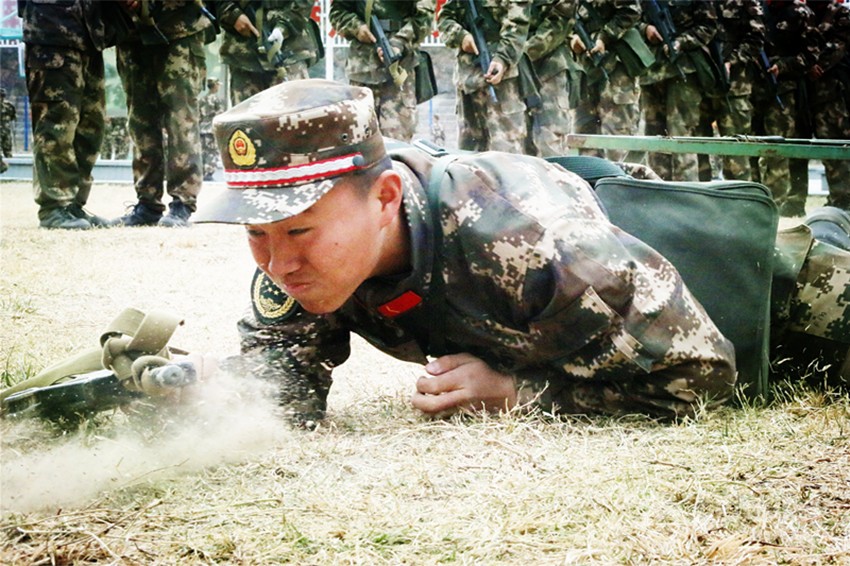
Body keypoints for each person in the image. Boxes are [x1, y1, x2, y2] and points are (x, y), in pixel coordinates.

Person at [194, 79, 741, 426]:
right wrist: (193, 392)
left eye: (299, 231)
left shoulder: (539, 244)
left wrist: (519, 395)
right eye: (255, 232)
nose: (278, 264)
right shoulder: (302, 252)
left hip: (708, 273)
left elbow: (704, 376)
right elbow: (282, 387)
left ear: (384, 200)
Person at [19, 0, 122, 230]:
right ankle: (54, 206)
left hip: (89, 35)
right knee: (56, 124)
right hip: (52, 32)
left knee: (91, 127)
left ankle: (73, 205)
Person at [110, 1, 213, 228]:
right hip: (131, 33)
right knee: (140, 121)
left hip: (178, 28)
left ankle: (182, 203)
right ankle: (147, 203)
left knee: (181, 119)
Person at [329, 0, 435, 143]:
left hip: (399, 71)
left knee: (397, 144)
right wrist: (357, 28)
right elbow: (338, 12)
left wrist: (399, 42)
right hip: (362, 72)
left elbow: (424, 17)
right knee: (360, 142)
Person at [749, 0, 817, 213]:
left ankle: (774, 207)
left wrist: (783, 66)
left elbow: (812, 54)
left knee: (777, 150)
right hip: (754, 90)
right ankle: (755, 203)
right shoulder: (757, 9)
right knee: (751, 149)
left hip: (784, 92)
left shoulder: (799, 13)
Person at [438, 0, 531, 153]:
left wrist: (503, 58)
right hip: (468, 82)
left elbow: (518, 25)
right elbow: (444, 18)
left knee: (506, 153)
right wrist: (461, 36)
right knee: (468, 154)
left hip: (503, 84)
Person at [638, 0, 717, 181]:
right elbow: (633, 18)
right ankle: (658, 188)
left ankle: (685, 192)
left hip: (683, 71)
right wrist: (645, 29)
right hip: (651, 71)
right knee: (654, 136)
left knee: (681, 134)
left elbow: (708, 26)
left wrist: (681, 42)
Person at [569, 0, 646, 162]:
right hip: (585, 67)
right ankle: (590, 177)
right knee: (584, 136)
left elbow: (631, 10)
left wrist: (603, 38)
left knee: (617, 140)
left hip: (616, 66)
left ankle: (619, 178)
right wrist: (573, 38)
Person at [696, 0, 765, 182]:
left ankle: (740, 197)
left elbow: (757, 38)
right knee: (698, 152)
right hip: (701, 84)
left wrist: (732, 61)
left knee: (736, 156)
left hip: (734, 88)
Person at [217, 0, 321, 106]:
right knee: (246, 114)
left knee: (295, 111)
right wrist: (233, 15)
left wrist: (284, 26)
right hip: (243, 55)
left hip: (289, 52)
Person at [806, 0, 850, 212]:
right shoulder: (805, 12)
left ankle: (844, 199)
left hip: (838, 93)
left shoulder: (840, 13)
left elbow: (837, 47)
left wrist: (816, 65)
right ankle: (839, 198)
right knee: (828, 147)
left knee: (842, 144)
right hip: (816, 94)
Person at [524, 0, 573, 157]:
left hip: (549, 68)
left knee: (549, 142)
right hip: (508, 68)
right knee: (516, 143)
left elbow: (562, 18)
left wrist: (518, 53)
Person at [199, 78, 224, 181]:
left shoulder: (202, 99)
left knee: (203, 150)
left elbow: (198, 115)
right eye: (218, 85)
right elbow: (220, 114)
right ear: (215, 85)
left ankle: (202, 170)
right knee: (212, 151)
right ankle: (209, 171)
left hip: (202, 128)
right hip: (211, 128)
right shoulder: (217, 99)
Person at [0, 88, 15, 159]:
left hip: (6, 131)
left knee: (8, 150)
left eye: (1, 96)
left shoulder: (9, 106)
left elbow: (12, 116)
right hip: (4, 130)